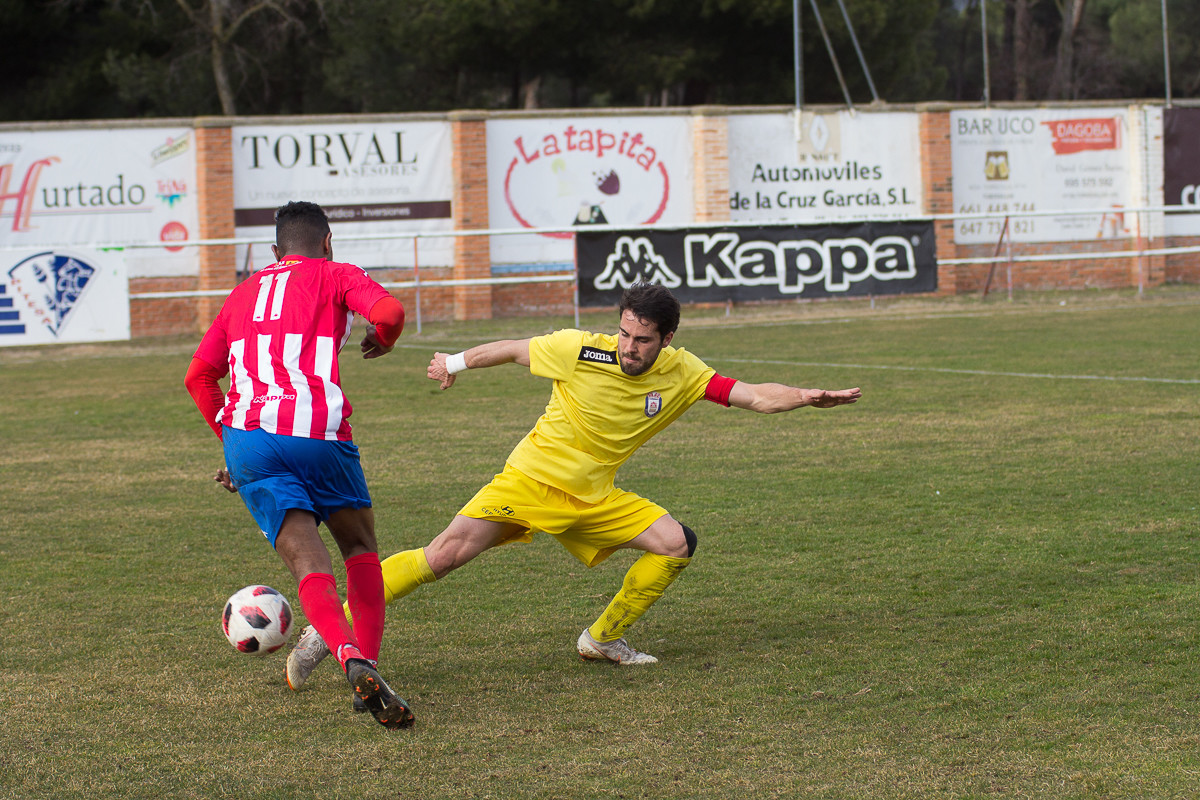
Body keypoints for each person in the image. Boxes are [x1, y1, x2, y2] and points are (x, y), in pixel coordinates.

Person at [284, 281, 861, 689]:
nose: (628, 348)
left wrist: (807, 397)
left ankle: (602, 639)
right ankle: (326, 630)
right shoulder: (581, 348)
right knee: (442, 556)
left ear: (667, 340)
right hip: (531, 479)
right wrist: (453, 363)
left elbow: (753, 394)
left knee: (676, 544)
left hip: (595, 496)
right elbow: (511, 350)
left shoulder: (685, 373)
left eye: (642, 339)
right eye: (624, 333)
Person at [183, 200, 414, 730]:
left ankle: (347, 657)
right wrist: (383, 337)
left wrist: (234, 446)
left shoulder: (242, 293)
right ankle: (367, 664)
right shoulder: (337, 274)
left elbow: (199, 378)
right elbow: (391, 313)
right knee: (358, 549)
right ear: (327, 243)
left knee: (310, 566)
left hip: (250, 441)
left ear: (273, 252)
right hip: (317, 436)